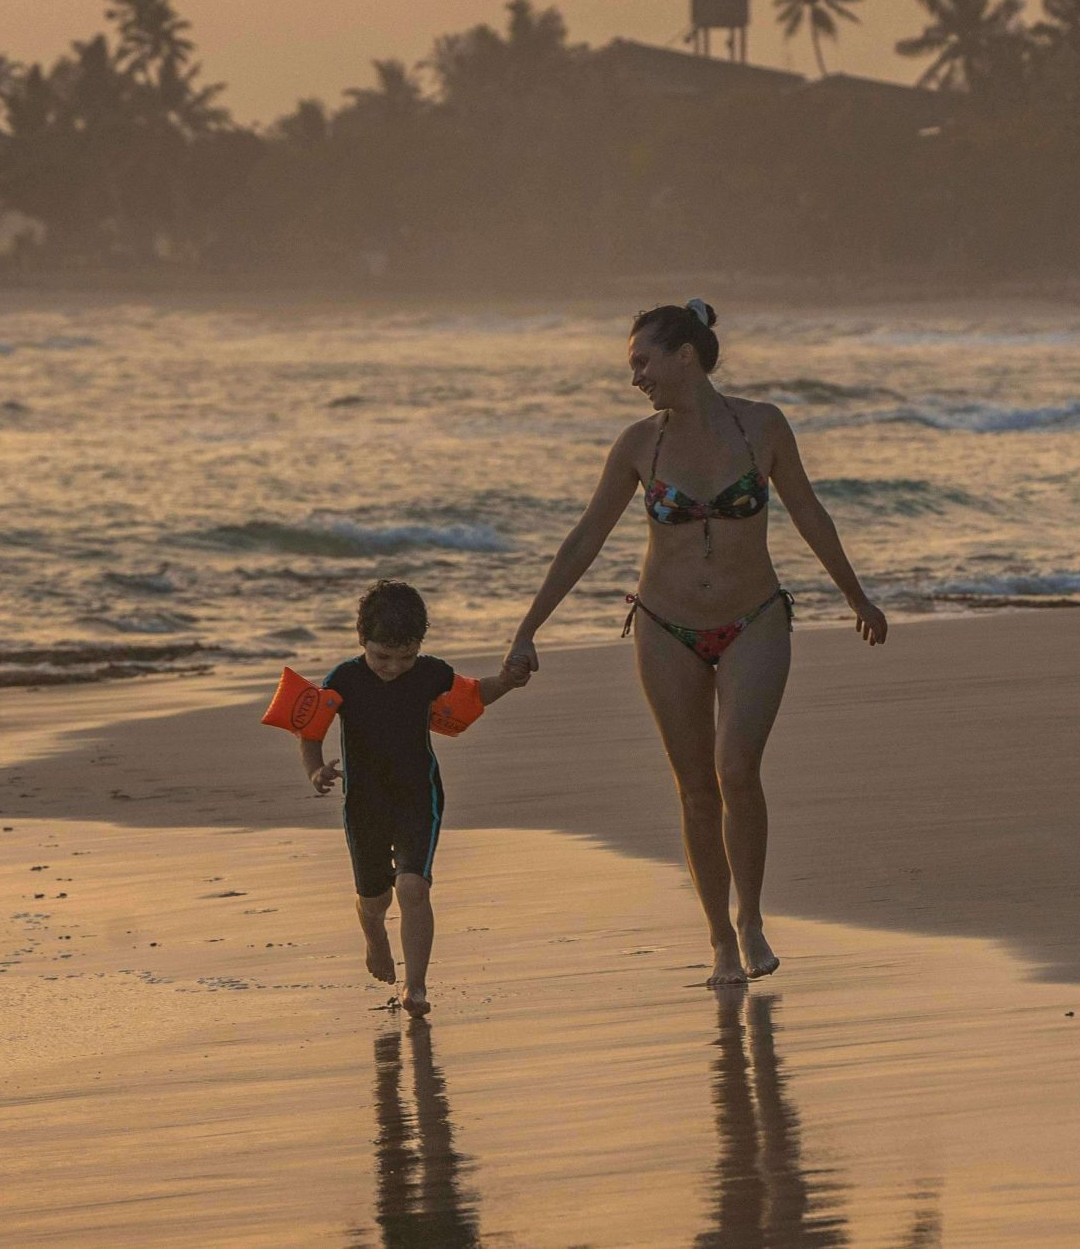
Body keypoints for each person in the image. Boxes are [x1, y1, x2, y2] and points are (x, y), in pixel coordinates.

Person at [501, 300, 886, 987]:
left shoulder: (763, 426)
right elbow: (585, 538)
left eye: (642, 362)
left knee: (736, 766)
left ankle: (752, 919)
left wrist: (855, 594)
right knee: (696, 790)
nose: (636, 378)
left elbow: (808, 511)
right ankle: (719, 940)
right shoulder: (636, 445)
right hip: (664, 627)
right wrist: (529, 625)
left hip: (755, 617)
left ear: (686, 356)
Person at [304, 578, 527, 1014]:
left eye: (404, 658)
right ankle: (374, 934)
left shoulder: (431, 673)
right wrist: (315, 769)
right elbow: (310, 727)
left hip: (418, 796)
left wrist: (507, 681)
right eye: (382, 657)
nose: (392, 667)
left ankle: (415, 987)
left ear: (419, 647)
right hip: (364, 803)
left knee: (412, 886)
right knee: (375, 899)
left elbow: (475, 696)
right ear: (362, 640)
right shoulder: (345, 678)